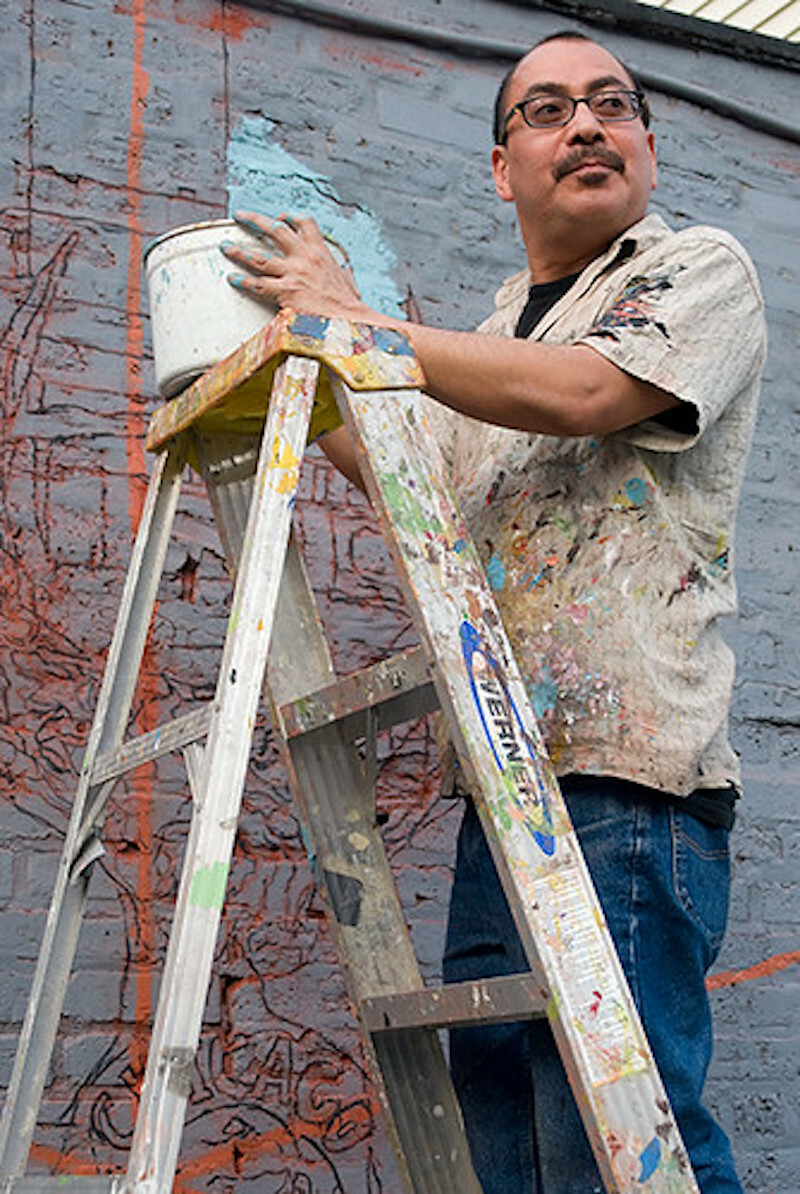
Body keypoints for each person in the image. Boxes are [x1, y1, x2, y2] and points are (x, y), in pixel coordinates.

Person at [222, 30, 766, 1193]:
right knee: (504, 1146)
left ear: (645, 144)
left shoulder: (694, 271)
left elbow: (590, 391)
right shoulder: (491, 337)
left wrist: (359, 325)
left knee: (614, 1143)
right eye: (547, 110)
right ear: (498, 167)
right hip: (504, 788)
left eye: (611, 104)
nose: (586, 125)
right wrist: (283, 360)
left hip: (628, 789)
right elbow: (406, 478)